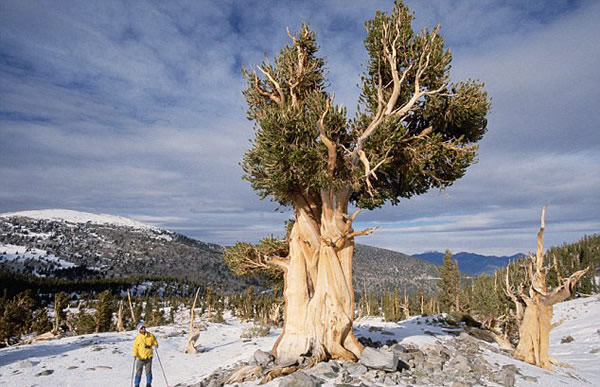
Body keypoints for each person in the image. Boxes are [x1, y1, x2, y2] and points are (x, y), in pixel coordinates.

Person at [132, 322, 158, 387]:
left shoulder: (151, 335)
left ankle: (148, 384)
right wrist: (134, 354)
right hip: (140, 358)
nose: (143, 329)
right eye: (141, 328)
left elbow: (155, 342)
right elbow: (135, 347)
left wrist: (155, 345)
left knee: (148, 372)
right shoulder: (138, 338)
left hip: (148, 357)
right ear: (139, 330)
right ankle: (137, 384)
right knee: (138, 372)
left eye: (144, 328)